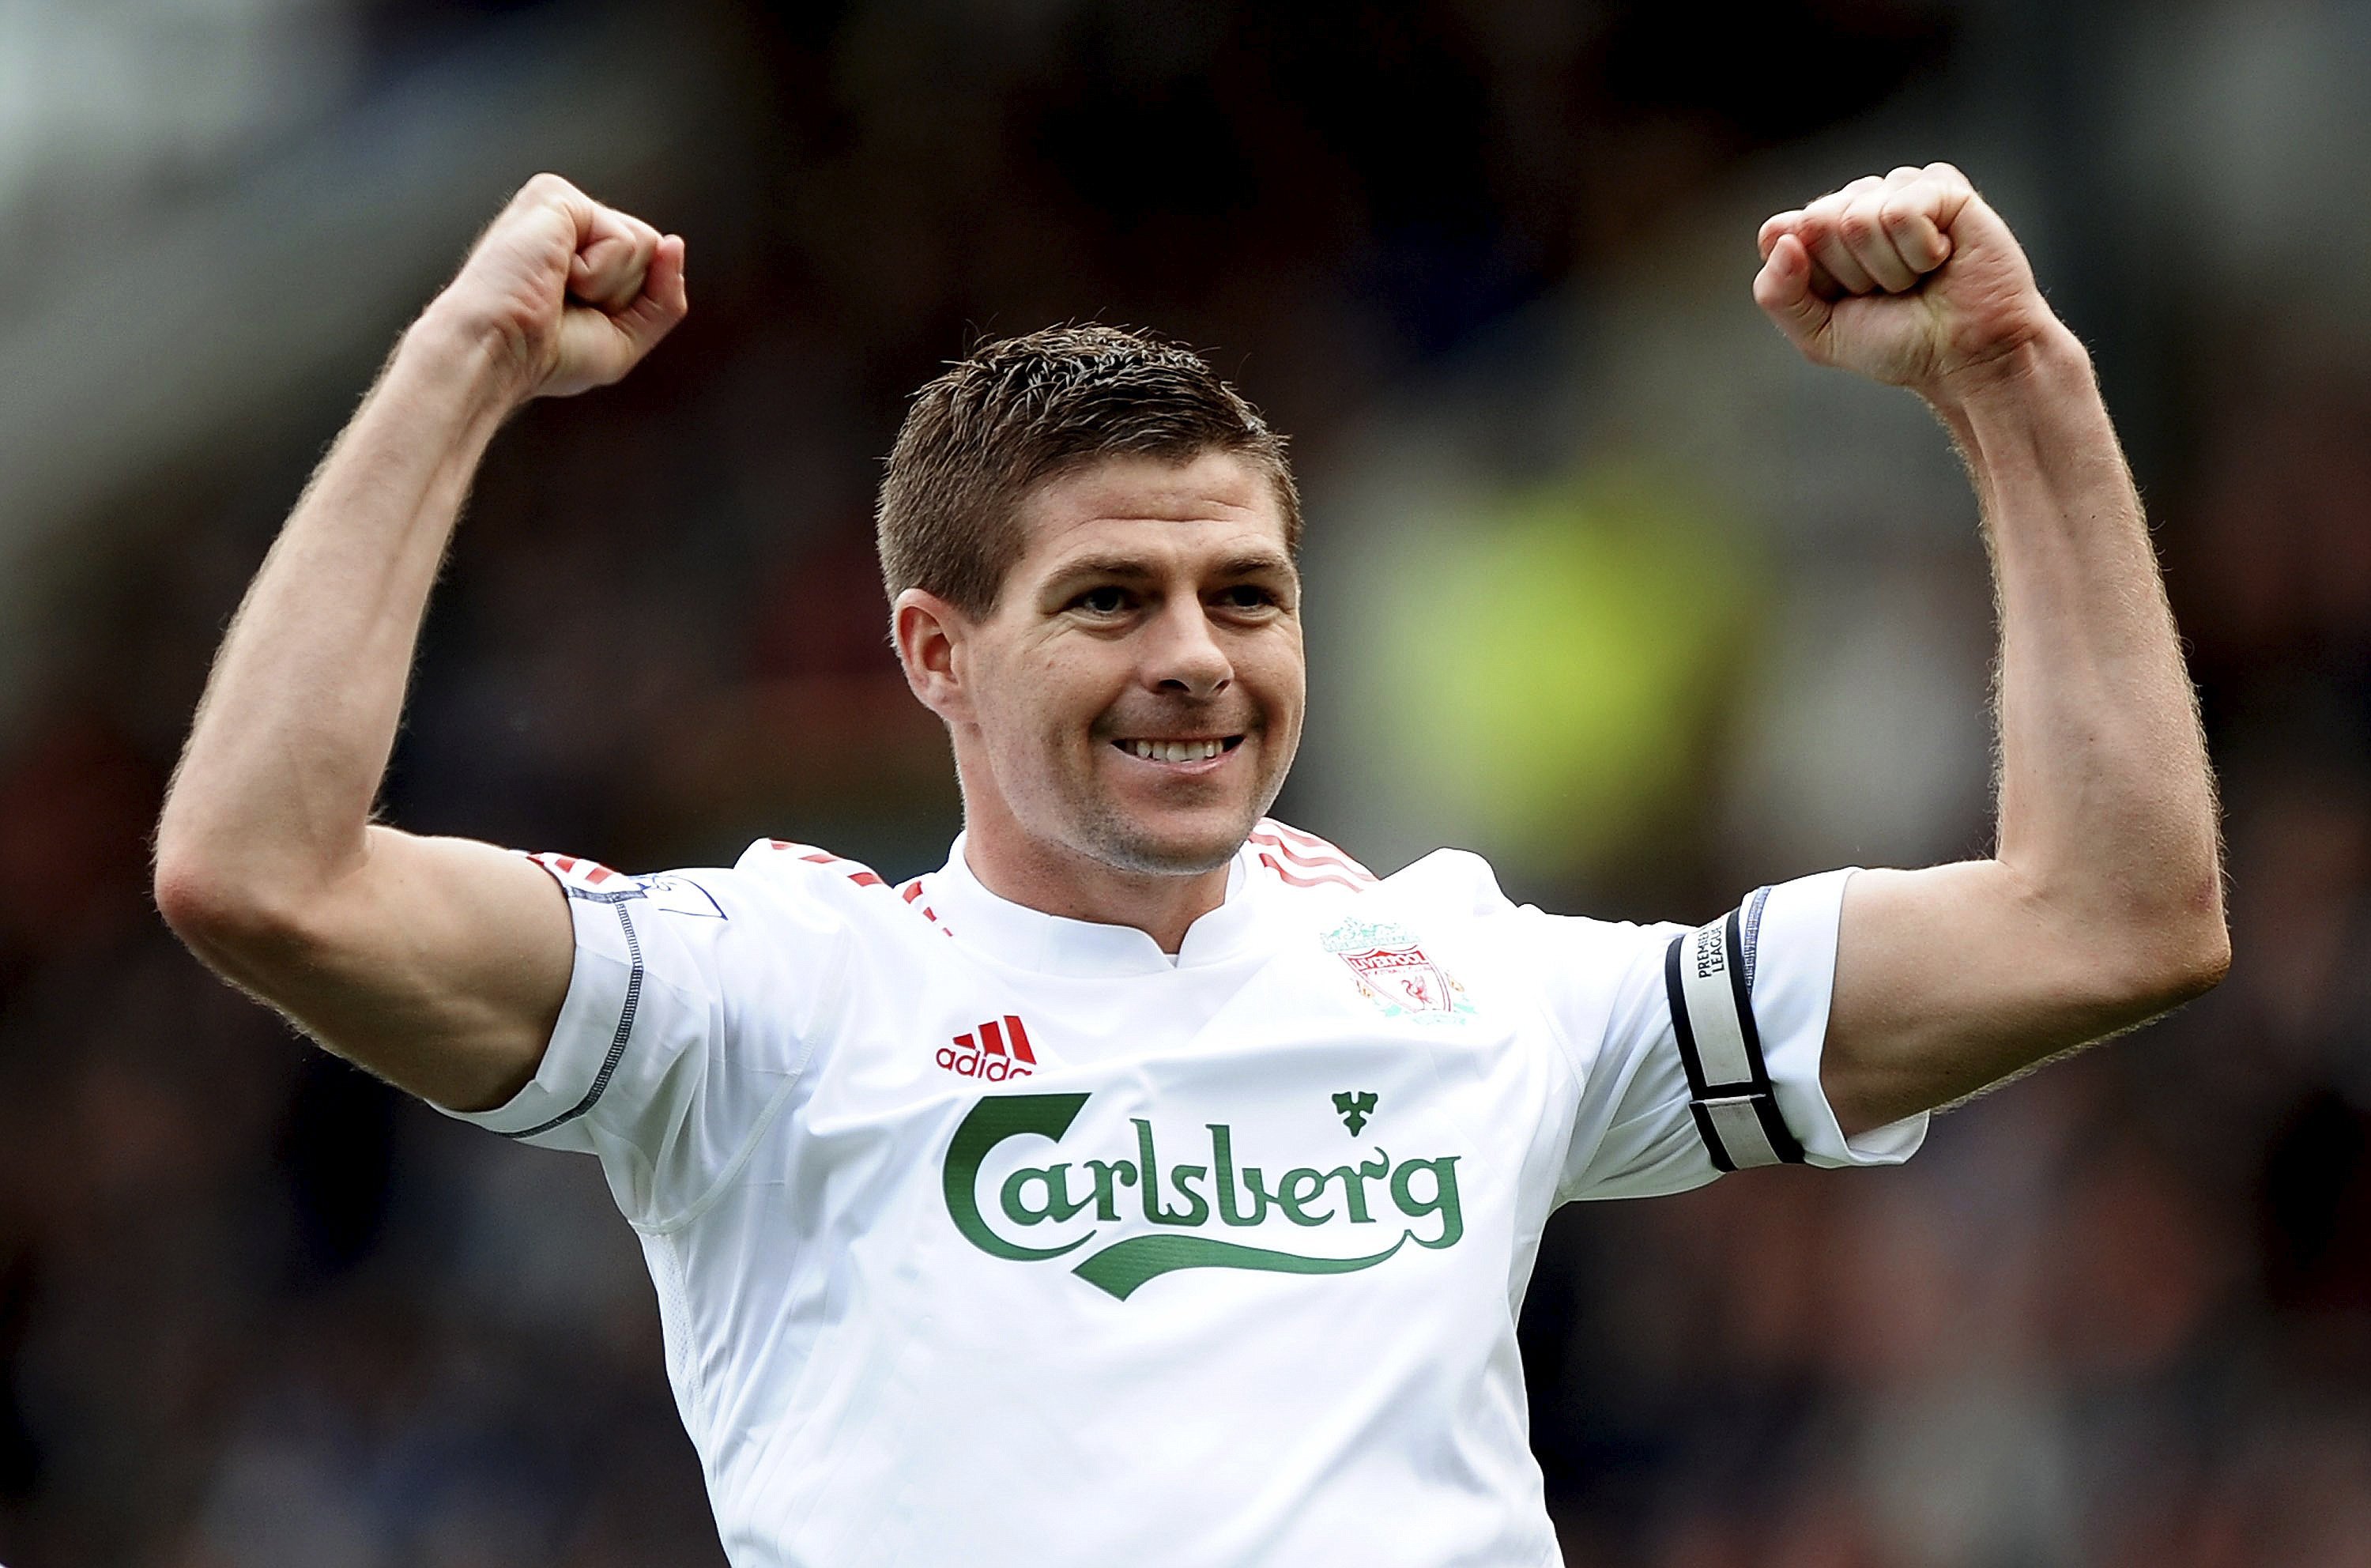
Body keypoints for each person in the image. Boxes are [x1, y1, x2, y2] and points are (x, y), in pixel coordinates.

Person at [153, 165, 2227, 1566]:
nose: (1195, 662)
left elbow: (2113, 920)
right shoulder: (764, 993)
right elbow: (266, 876)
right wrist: (465, 362)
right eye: (1111, 599)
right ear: (934, 653)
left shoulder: (1477, 981)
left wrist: (2012, 384)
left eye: (1246, 593)